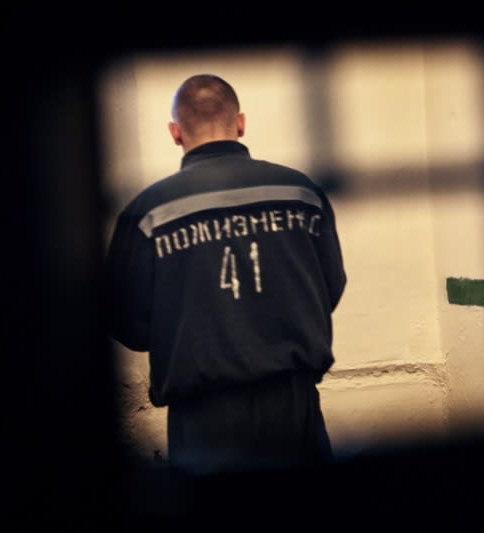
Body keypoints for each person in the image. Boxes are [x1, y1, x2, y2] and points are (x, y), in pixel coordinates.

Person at [105, 73, 346, 476]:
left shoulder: (147, 212)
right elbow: (330, 287)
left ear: (175, 132)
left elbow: (127, 324)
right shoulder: (301, 193)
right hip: (294, 406)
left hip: (203, 419)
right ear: (241, 123)